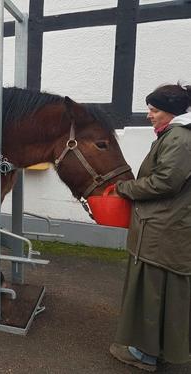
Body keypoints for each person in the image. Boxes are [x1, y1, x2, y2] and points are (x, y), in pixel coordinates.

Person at [110, 83, 191, 372]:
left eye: (154, 110)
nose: (149, 116)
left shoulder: (180, 138)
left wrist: (126, 188)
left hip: (162, 228)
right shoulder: (175, 134)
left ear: (170, 112)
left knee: (153, 289)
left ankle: (145, 353)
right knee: (159, 289)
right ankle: (156, 348)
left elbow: (166, 181)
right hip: (166, 224)